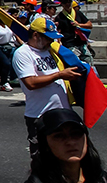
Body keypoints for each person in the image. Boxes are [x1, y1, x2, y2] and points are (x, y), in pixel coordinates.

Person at [14, 16, 81, 157]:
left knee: (66, 154)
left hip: (63, 111)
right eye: (48, 37)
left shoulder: (52, 50)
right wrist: (59, 75)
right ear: (36, 35)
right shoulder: (23, 54)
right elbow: (31, 83)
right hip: (40, 114)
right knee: (42, 157)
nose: (51, 41)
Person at [56, 0, 95, 66]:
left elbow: (90, 25)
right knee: (76, 62)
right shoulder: (59, 17)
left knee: (88, 59)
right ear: (62, 4)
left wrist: (79, 24)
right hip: (69, 43)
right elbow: (58, 32)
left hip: (81, 42)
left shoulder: (78, 13)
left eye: (69, 2)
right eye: (65, 2)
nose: (68, 4)